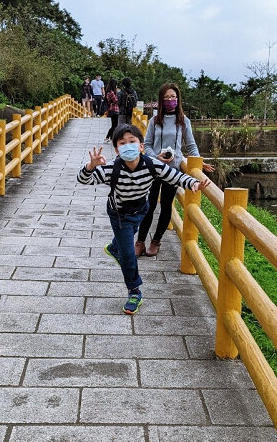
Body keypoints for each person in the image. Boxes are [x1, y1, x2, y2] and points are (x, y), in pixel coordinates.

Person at [77, 123, 210, 314]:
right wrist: (91, 166)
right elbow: (83, 179)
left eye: (132, 141)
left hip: (141, 210)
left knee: (124, 243)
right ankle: (134, 291)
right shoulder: (112, 168)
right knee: (128, 254)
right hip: (119, 214)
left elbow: (175, 176)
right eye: (122, 143)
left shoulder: (151, 164)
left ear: (141, 146)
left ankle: (114, 247)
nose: (128, 146)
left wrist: (194, 183)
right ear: (116, 150)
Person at [135, 82, 215, 257]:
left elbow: (191, 146)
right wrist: (156, 157)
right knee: (149, 205)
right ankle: (140, 242)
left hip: (173, 171)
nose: (170, 100)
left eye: (173, 97)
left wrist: (198, 162)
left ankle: (156, 241)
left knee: (166, 206)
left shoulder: (183, 121)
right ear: (161, 100)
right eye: (166, 97)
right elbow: (146, 145)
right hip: (154, 168)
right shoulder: (154, 121)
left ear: (178, 99)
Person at [104, 79, 119, 143]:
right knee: (115, 125)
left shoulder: (108, 92)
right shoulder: (112, 92)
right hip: (114, 109)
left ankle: (110, 138)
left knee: (114, 125)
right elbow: (115, 100)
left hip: (111, 109)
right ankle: (108, 137)